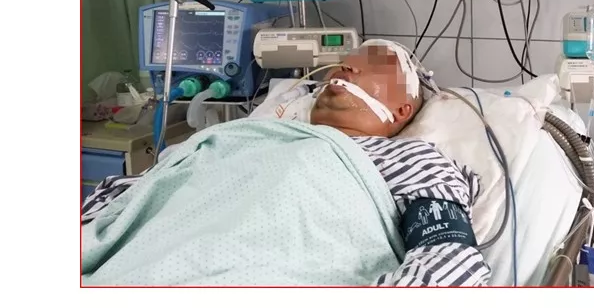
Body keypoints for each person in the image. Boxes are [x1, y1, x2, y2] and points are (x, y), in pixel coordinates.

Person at [81, 40, 492, 287]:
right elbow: (133, 196)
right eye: (348, 60)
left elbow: (449, 259)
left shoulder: (411, 159)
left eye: (374, 66)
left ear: (403, 109)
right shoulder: (247, 133)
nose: (347, 67)